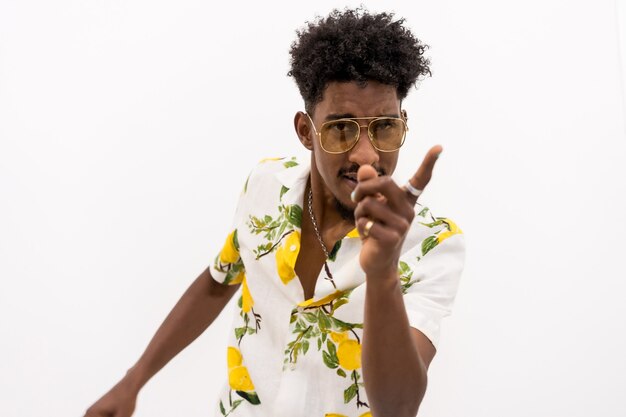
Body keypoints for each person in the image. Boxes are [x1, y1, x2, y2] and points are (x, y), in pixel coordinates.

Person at [84, 6, 465, 417]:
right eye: (341, 128)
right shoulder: (267, 185)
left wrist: (383, 274)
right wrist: (133, 380)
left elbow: (399, 407)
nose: (367, 156)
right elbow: (219, 280)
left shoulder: (432, 243)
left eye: (385, 127)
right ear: (306, 131)